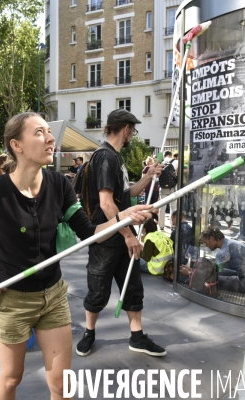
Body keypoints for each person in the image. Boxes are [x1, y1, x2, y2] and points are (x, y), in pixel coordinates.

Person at [0, 112, 151, 399]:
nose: (50, 138)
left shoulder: (59, 184)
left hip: (53, 297)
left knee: (62, 385)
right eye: (39, 132)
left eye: (48, 132)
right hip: (12, 300)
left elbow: (90, 233)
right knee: (11, 377)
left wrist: (123, 218)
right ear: (17, 145)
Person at [77, 109, 166, 359]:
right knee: (98, 290)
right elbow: (106, 204)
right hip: (107, 238)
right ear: (125, 129)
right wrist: (128, 235)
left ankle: (137, 337)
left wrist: (148, 177)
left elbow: (127, 194)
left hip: (122, 235)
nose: (133, 136)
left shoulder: (116, 158)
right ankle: (89, 334)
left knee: (133, 288)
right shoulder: (106, 158)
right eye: (133, 131)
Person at [200, 226, 245, 295]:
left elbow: (217, 272)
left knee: (210, 279)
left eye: (206, 242)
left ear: (212, 239)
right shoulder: (230, 243)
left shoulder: (222, 253)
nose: (206, 246)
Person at [158, 150, 178, 229]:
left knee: (162, 207)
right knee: (173, 207)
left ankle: (161, 225)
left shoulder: (161, 163)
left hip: (163, 187)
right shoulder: (176, 162)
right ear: (170, 155)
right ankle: (173, 225)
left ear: (164, 155)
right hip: (172, 187)